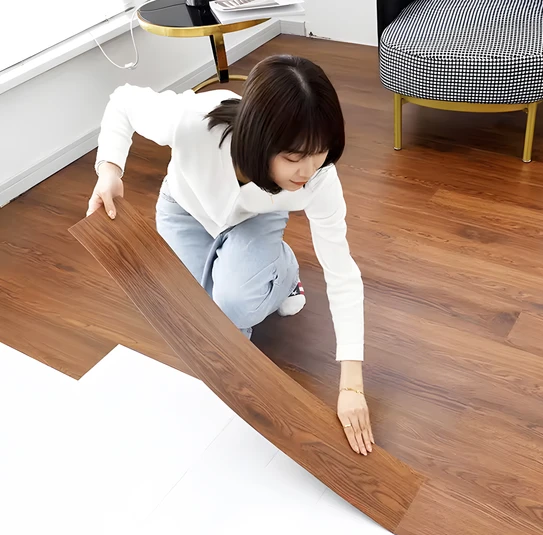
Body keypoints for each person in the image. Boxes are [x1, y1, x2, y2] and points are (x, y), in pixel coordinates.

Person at [87, 54, 374, 455]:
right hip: (186, 210)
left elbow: (341, 272)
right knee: (197, 314)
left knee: (232, 305)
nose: (308, 171)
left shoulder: (319, 178)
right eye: (294, 158)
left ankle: (285, 273)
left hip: (255, 219)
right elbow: (123, 101)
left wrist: (351, 386)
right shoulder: (191, 120)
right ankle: (260, 271)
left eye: (320, 152)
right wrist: (110, 172)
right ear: (258, 139)